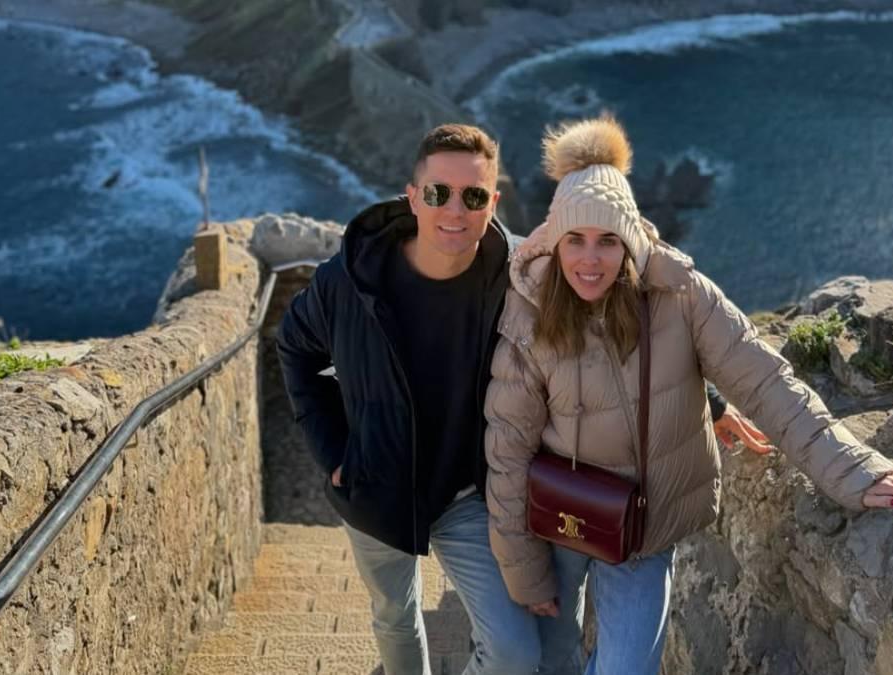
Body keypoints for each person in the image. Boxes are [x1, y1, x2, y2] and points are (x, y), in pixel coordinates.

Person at [276, 122, 769, 674]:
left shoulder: (517, 271)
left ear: (494, 201)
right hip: (376, 489)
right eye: (438, 193)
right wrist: (335, 453)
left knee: (514, 652)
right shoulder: (352, 280)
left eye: (473, 195)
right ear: (412, 197)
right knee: (395, 613)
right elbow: (295, 349)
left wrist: (710, 402)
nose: (454, 211)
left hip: (467, 497)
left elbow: (606, 334)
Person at [483, 115, 893, 675]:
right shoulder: (530, 307)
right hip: (556, 520)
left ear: (631, 242)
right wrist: (523, 572)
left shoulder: (681, 295)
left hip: (643, 527)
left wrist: (854, 470)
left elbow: (767, 380)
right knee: (549, 663)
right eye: (574, 240)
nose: (589, 259)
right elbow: (507, 446)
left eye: (608, 241)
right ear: (554, 242)